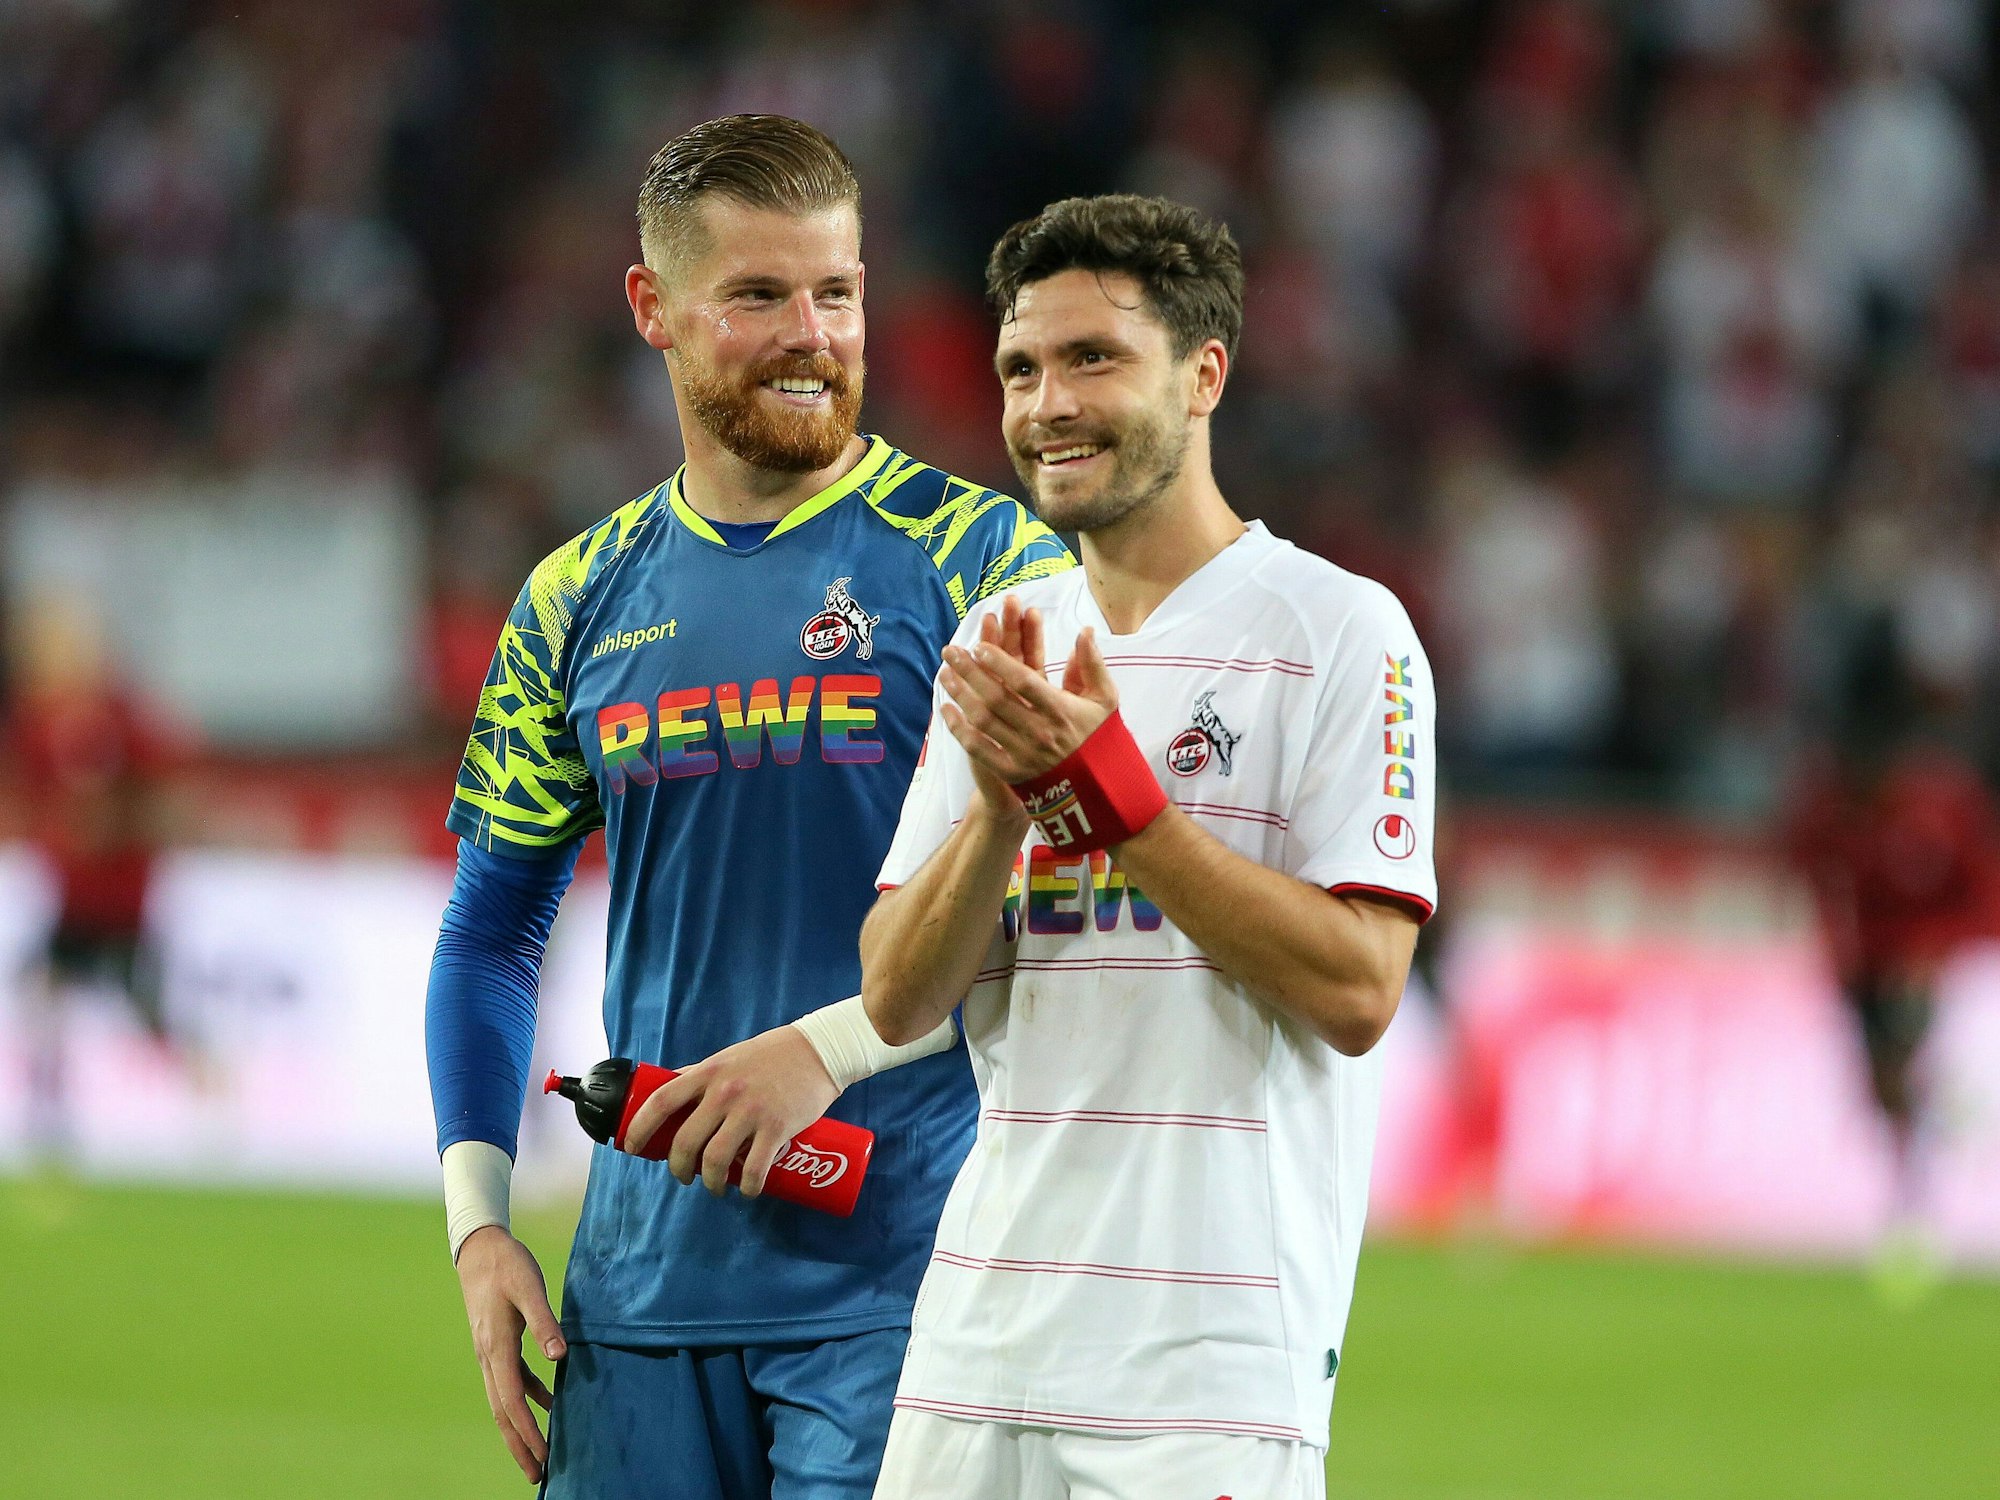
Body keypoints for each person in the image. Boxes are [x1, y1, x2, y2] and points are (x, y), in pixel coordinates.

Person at [424, 114, 1070, 1498]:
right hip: (638, 1305)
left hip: (909, 1287)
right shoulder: (574, 599)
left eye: (837, 292)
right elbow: (490, 934)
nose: (813, 334)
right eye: (760, 296)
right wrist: (480, 1226)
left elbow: (1070, 894)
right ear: (653, 309)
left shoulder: (981, 562)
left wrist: (824, 1050)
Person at [859, 194, 1438, 1499]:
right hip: (974, 1346)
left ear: (1205, 375)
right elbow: (897, 996)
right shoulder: (997, 640)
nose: (1047, 403)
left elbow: (1360, 987)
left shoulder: (1341, 633)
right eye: (1022, 368)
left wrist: (1117, 800)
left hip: (1207, 1370)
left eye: (1092, 359)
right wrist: (1005, 812)